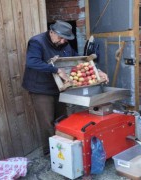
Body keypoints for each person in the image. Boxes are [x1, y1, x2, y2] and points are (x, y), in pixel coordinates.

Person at [22, 20, 108, 156]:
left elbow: (79, 61)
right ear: (52, 32)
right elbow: (32, 62)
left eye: (65, 39)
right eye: (60, 37)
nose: (63, 41)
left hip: (60, 88)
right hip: (40, 89)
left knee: (62, 119)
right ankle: (51, 153)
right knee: (47, 122)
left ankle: (64, 149)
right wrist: (56, 70)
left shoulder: (65, 45)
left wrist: (98, 71)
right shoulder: (37, 42)